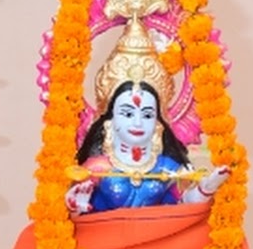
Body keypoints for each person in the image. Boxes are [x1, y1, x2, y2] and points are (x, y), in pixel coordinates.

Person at [65, 80, 228, 213]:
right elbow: (70, 217)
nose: (138, 123)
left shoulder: (168, 168)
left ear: (157, 123)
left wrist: (205, 189)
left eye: (147, 115)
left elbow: (185, 207)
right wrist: (73, 207)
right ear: (110, 122)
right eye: (128, 114)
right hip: (106, 241)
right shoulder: (96, 168)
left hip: (158, 241)